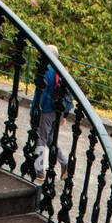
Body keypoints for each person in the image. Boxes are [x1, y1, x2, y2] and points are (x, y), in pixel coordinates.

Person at [35, 44, 74, 181]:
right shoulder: (62, 71)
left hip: (46, 109)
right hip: (58, 111)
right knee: (51, 139)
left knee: (41, 138)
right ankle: (65, 163)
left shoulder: (46, 70)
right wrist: (65, 114)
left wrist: (34, 109)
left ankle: (39, 171)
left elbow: (40, 92)